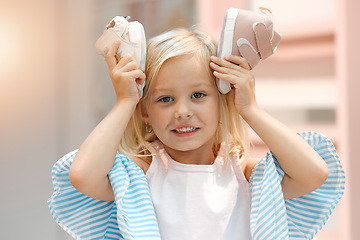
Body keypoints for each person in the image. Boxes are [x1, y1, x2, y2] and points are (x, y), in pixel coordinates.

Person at [48, 28, 345, 240]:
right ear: (145, 111)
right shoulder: (141, 174)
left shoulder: (244, 174)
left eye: (199, 95)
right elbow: (82, 176)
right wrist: (125, 100)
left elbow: (314, 174)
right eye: (165, 99)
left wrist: (250, 109)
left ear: (224, 100)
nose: (182, 111)